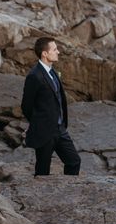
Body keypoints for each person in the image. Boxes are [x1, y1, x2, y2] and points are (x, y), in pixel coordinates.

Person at [21, 37, 80, 176]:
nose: (58, 52)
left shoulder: (52, 71)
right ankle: (38, 197)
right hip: (44, 131)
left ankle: (68, 192)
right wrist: (39, 123)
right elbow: (26, 106)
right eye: (54, 49)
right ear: (45, 54)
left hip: (60, 129)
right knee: (43, 171)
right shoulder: (34, 76)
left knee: (74, 161)